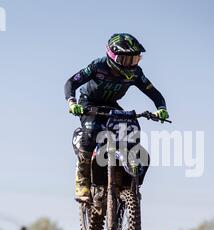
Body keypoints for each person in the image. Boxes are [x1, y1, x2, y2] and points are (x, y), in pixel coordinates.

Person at [64, 33, 169, 202]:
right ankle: (82, 179)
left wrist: (161, 108)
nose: (130, 64)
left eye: (134, 60)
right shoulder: (98, 66)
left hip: (111, 104)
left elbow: (154, 93)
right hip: (89, 103)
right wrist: (71, 102)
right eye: (126, 60)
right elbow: (71, 82)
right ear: (113, 56)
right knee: (92, 132)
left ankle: (131, 185)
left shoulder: (136, 74)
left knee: (130, 134)